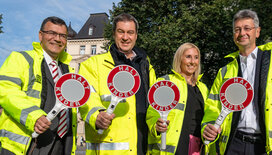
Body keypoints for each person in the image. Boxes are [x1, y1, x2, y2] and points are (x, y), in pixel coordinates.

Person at [202, 9, 272, 154]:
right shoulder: (224, 72)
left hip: (271, 148)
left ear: (257, 32)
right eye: (237, 29)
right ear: (234, 35)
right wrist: (208, 126)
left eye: (247, 28)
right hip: (233, 145)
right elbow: (213, 108)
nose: (242, 33)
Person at [78, 13, 156, 155]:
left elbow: (153, 107)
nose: (125, 37)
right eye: (121, 32)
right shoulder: (93, 64)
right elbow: (86, 97)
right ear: (114, 34)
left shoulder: (147, 67)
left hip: (143, 148)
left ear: (136, 36)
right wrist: (97, 115)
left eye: (130, 32)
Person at [0, 16, 77, 155]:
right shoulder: (20, 59)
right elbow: (7, 91)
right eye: (52, 33)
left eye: (62, 36)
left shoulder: (68, 71)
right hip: (27, 145)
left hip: (61, 145)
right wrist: (34, 116)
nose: (57, 39)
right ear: (40, 35)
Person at [146, 43, 210, 154]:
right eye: (188, 57)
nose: (192, 62)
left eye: (196, 57)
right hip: (172, 149)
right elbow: (152, 113)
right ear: (179, 58)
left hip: (196, 148)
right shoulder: (166, 82)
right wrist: (156, 126)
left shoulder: (203, 88)